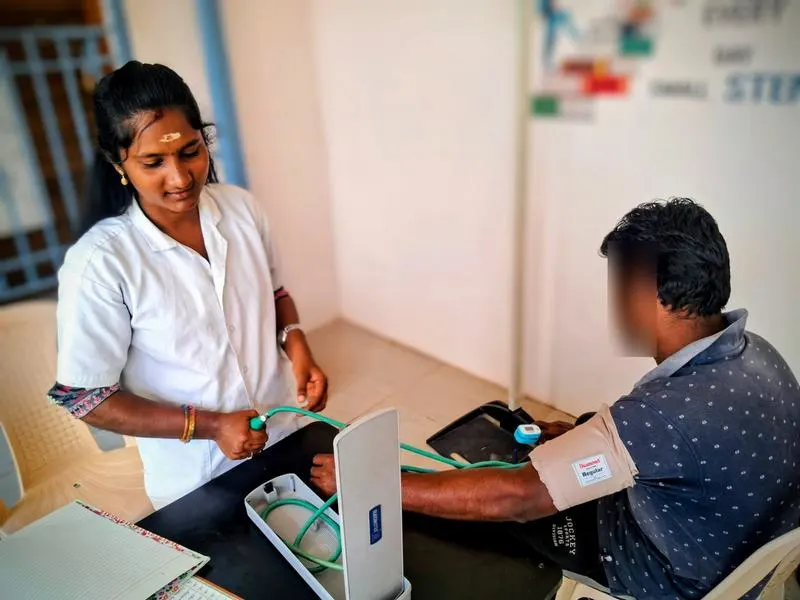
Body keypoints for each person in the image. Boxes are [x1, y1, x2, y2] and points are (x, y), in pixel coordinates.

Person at [311, 199, 800, 599]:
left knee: (462, 523)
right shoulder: (761, 353)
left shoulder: (658, 416)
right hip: (737, 552)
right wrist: (587, 441)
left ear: (646, 294)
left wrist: (371, 485)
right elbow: (673, 449)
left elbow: (517, 497)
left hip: (660, 573)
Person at [49, 61, 329, 510]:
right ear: (117, 162)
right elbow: (87, 398)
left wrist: (296, 346)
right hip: (197, 480)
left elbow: (275, 294)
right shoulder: (101, 262)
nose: (180, 178)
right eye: (153, 161)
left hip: (284, 436)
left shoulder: (242, 210)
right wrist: (213, 425)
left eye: (190, 151)